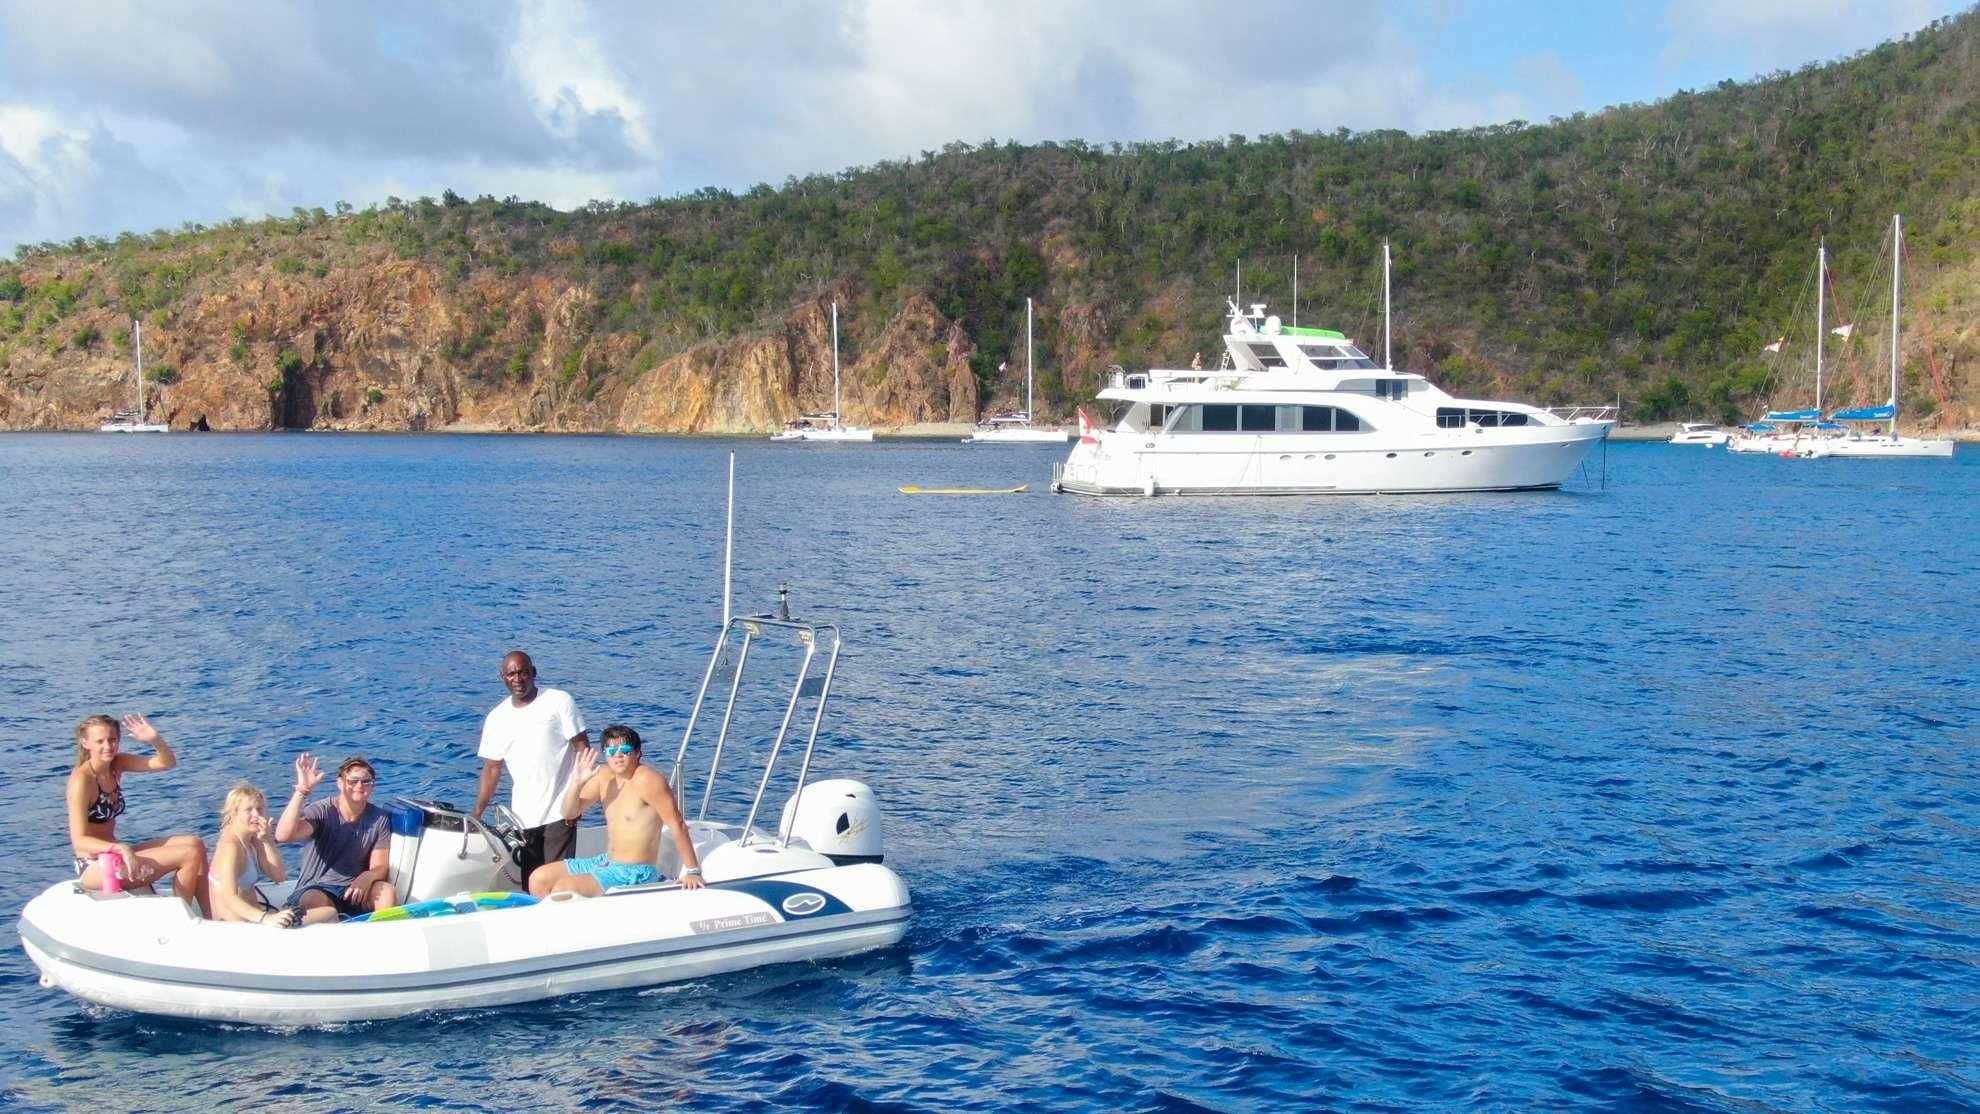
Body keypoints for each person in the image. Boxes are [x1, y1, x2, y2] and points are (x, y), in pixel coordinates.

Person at [529, 725, 704, 897]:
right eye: (611, 751)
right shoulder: (604, 777)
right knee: (538, 879)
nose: (618, 755)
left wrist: (693, 871)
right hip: (607, 862)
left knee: (563, 889)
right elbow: (569, 813)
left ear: (637, 753)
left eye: (625, 749)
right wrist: (577, 782)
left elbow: (677, 824)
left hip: (635, 872)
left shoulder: (647, 780)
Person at [65, 713, 210, 916]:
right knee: (188, 854)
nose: (108, 746)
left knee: (195, 843)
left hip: (117, 855)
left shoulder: (117, 764)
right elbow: (79, 841)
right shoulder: (82, 781)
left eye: (112, 739)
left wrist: (154, 739)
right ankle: (178, 922)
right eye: (100, 741)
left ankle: (210, 915)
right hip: (96, 866)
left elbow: (167, 762)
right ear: (86, 743)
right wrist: (121, 848)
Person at [475, 650, 590, 886]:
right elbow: (491, 770)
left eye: (524, 672)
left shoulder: (559, 700)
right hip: (523, 817)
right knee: (531, 883)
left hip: (561, 811)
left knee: (558, 882)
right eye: (512, 674)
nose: (518, 678)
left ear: (533, 673)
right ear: (503, 677)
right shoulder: (497, 718)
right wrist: (475, 815)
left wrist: (578, 799)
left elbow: (583, 750)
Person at [275, 754, 396, 924]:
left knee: (386, 891)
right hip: (316, 887)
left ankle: (382, 939)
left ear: (372, 785)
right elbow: (283, 835)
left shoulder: (379, 818)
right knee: (317, 902)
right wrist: (302, 791)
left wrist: (367, 877)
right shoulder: (322, 811)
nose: (359, 786)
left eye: (365, 781)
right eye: (352, 781)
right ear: (340, 783)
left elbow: (380, 866)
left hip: (354, 890)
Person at [208, 783, 295, 927]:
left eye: (260, 809)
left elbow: (279, 877)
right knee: (327, 914)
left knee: (325, 913)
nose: (256, 815)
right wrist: (267, 918)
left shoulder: (253, 839)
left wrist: (267, 841)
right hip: (233, 926)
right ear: (234, 813)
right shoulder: (230, 847)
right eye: (249, 810)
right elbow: (229, 897)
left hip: (253, 919)